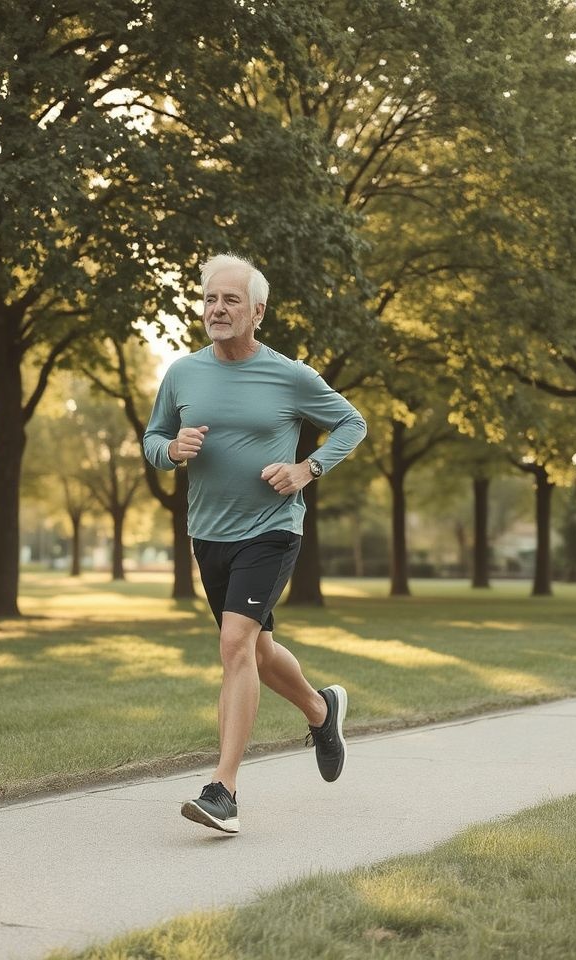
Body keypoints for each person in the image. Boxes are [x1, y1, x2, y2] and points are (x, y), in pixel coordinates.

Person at [143, 253, 367, 834]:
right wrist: (169, 451)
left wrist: (307, 469)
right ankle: (322, 711)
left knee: (235, 646)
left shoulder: (289, 375)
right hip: (208, 533)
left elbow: (353, 424)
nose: (217, 309)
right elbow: (153, 436)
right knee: (259, 653)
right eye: (211, 299)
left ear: (257, 311)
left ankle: (223, 790)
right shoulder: (182, 373)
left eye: (231, 300)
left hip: (271, 530)